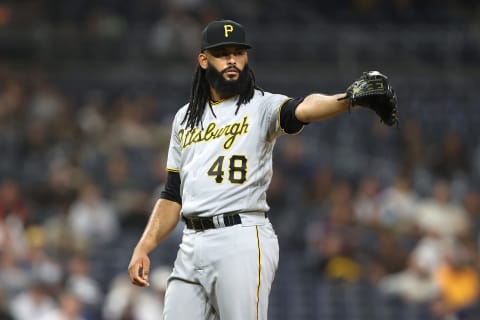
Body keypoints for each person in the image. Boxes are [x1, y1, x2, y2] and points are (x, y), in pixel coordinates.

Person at [127, 19, 396, 320]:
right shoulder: (184, 118)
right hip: (192, 242)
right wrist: (144, 246)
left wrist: (348, 100)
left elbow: (303, 108)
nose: (232, 59)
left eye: (238, 52)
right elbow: (172, 194)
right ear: (203, 60)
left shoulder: (260, 105)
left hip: (241, 236)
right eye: (222, 52)